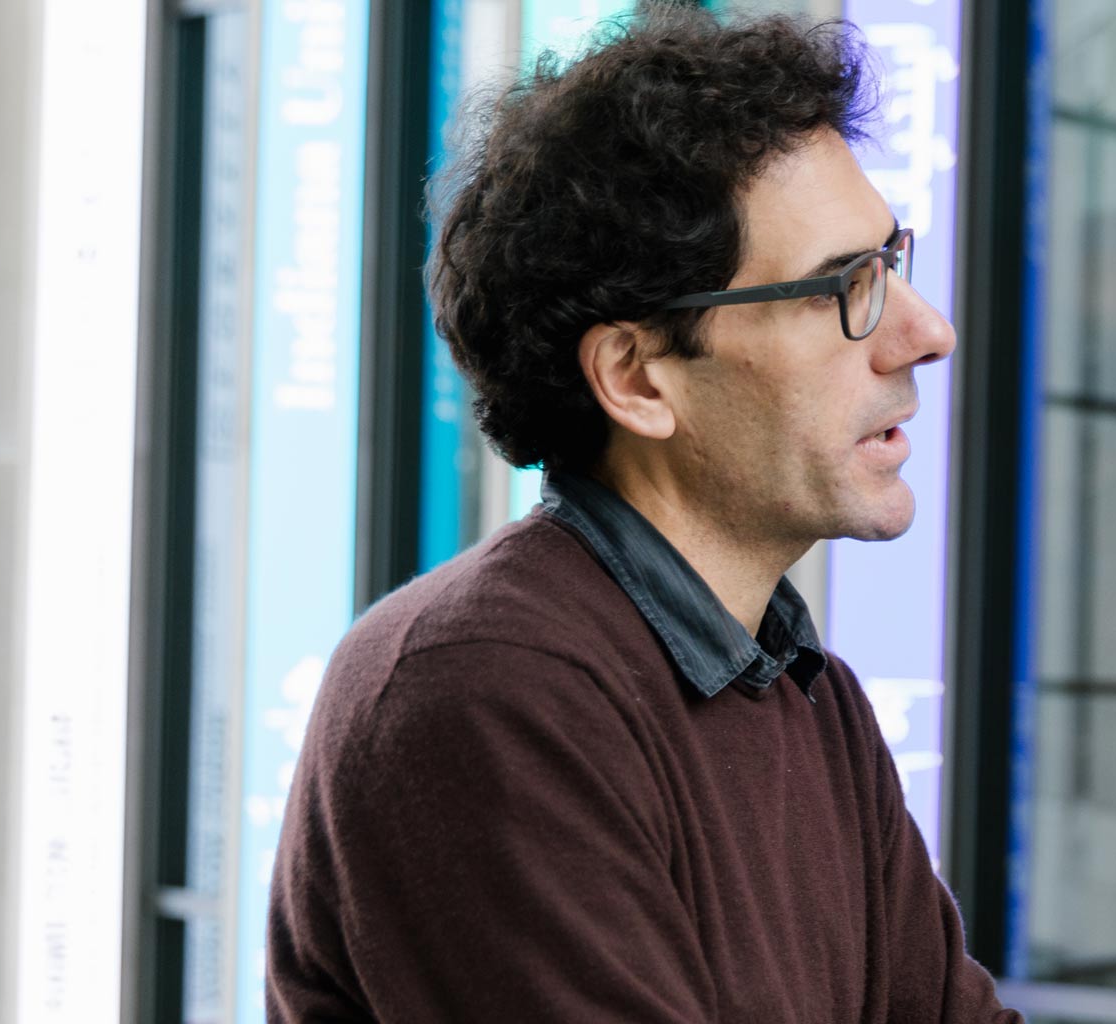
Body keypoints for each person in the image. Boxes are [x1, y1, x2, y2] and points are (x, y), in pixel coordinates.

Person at [264, 11, 1016, 1021]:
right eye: (847, 286)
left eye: (892, 262)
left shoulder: (808, 696)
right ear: (637, 376)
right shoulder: (485, 686)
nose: (928, 333)